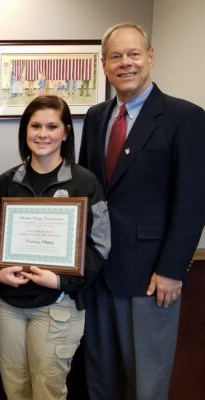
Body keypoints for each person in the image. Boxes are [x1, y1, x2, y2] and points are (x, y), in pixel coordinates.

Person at [79, 22, 205, 400]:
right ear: (103, 65)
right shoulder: (96, 116)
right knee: (99, 378)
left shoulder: (186, 117)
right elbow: (89, 191)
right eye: (115, 56)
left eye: (134, 54)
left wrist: (171, 269)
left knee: (146, 384)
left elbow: (194, 200)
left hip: (151, 279)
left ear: (150, 57)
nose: (125, 63)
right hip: (98, 272)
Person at [0, 96, 110, 400]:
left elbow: (101, 246)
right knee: (15, 390)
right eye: (35, 126)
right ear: (25, 131)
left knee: (47, 391)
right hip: (9, 307)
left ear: (66, 132)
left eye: (52, 126)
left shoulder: (85, 182)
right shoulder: (6, 183)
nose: (43, 133)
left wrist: (60, 281)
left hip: (58, 304)